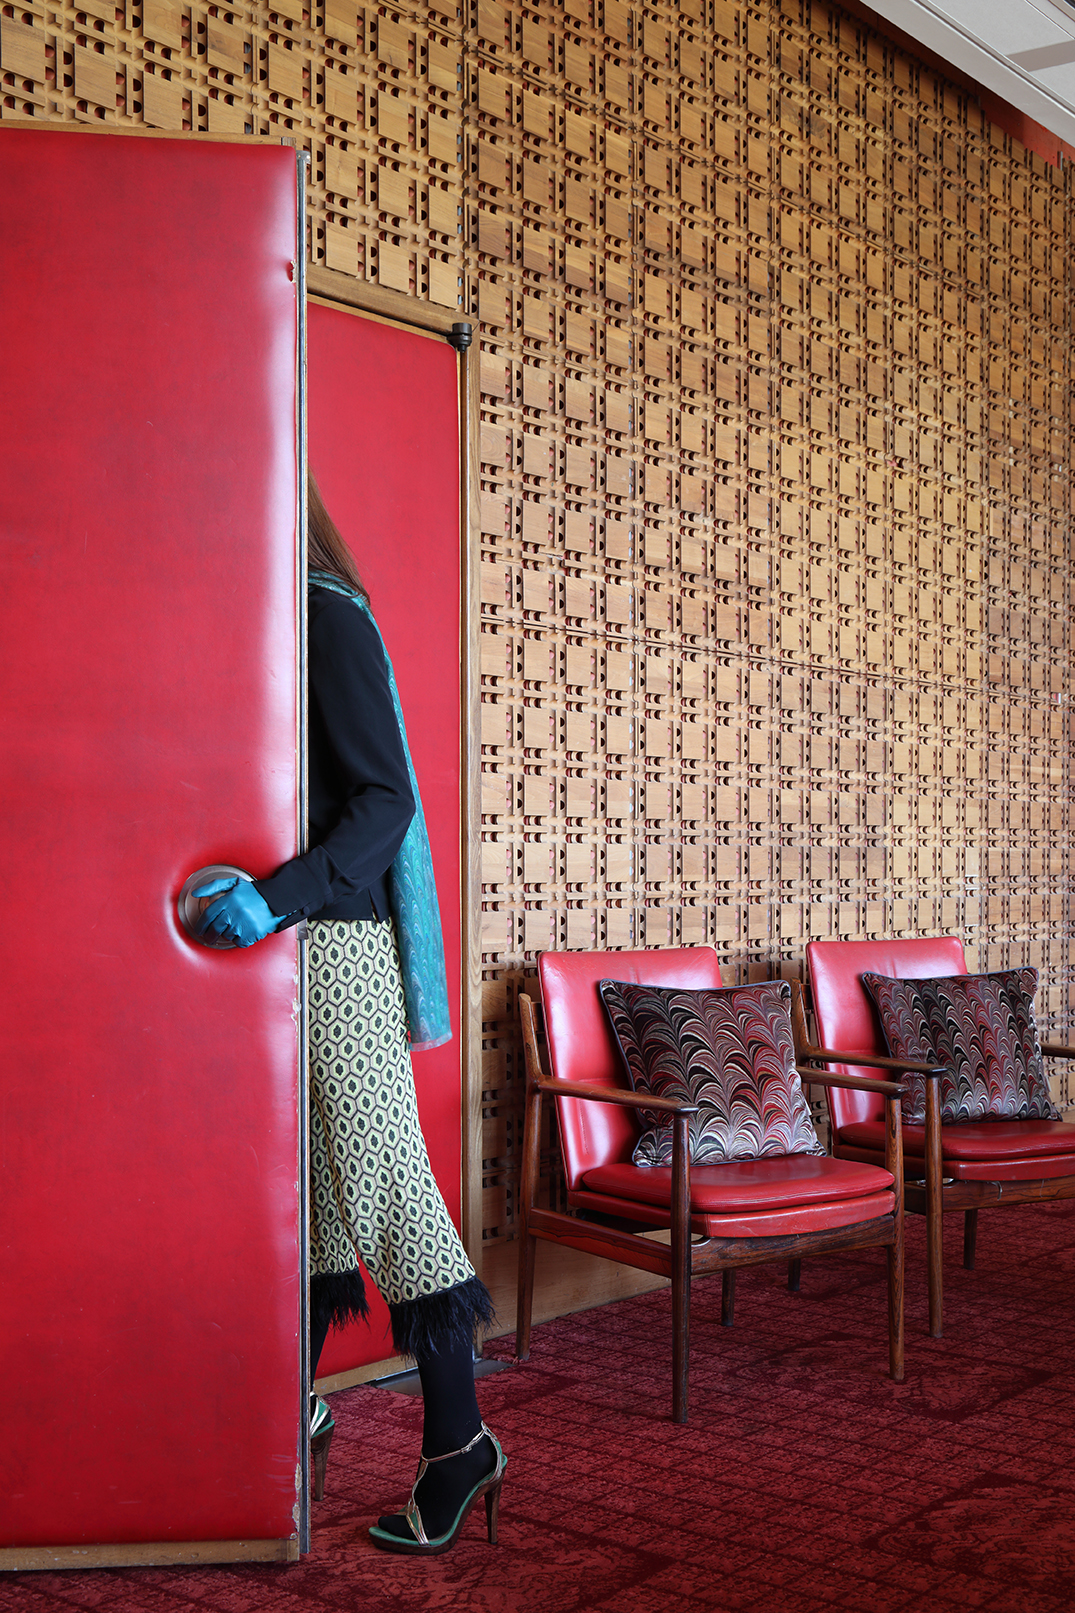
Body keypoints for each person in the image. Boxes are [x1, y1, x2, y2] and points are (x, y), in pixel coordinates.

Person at [194, 475, 504, 1555]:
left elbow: (384, 804)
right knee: (311, 1185)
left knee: (381, 1179)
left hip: (338, 945)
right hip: (283, 949)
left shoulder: (325, 610)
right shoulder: (261, 621)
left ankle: (459, 1440)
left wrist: (273, 896)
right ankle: (297, 1405)